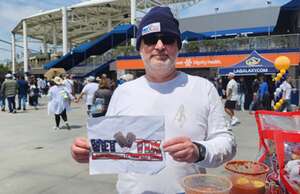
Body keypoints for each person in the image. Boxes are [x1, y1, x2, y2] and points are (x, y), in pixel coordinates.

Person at [71, 6, 236, 194]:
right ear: (140, 48)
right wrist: (87, 151)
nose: (159, 46)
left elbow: (227, 142)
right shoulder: (123, 92)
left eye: (167, 39)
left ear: (177, 46)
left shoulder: (203, 88)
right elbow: (110, 144)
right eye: (150, 40)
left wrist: (199, 151)